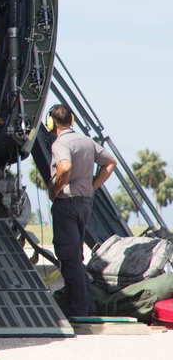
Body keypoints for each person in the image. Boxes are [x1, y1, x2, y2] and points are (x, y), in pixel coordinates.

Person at [47, 104, 116, 318]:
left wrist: (56, 188)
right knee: (76, 257)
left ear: (51, 123)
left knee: (69, 258)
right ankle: (88, 307)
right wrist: (92, 187)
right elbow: (110, 163)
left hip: (67, 204)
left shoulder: (61, 143)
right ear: (72, 120)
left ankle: (79, 311)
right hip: (84, 204)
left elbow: (65, 167)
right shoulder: (87, 141)